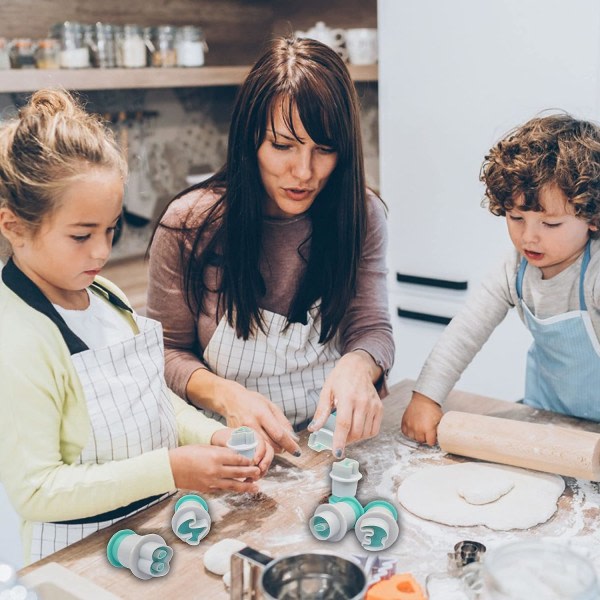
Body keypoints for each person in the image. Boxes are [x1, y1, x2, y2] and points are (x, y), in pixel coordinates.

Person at [0, 89, 272, 565]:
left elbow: (150, 401)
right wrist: (170, 468)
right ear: (14, 226)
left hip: (154, 531)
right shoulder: (18, 339)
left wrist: (210, 437)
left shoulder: (107, 297)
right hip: (78, 559)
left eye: (112, 229)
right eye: (81, 235)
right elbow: (37, 491)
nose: (101, 252)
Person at [147, 37, 394, 460]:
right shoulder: (189, 225)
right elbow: (164, 353)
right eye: (282, 146)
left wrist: (359, 364)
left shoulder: (361, 214)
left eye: (325, 149)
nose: (304, 172)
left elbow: (372, 328)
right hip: (228, 451)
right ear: (250, 141)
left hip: (330, 444)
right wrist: (226, 395)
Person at [401, 113, 600, 445]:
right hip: (544, 418)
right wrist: (426, 396)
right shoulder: (514, 269)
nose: (529, 238)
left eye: (550, 225)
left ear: (592, 217)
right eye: (516, 217)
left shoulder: (593, 275)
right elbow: (466, 331)